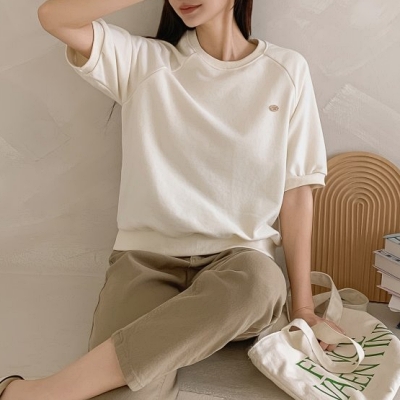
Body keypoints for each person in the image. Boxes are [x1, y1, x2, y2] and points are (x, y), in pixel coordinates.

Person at [1, 0, 345, 399]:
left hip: (238, 268)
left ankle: (39, 393)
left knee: (263, 284)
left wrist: (303, 309)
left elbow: (296, 193)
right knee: (129, 393)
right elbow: (53, 16)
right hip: (145, 263)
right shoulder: (144, 62)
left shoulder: (286, 70)